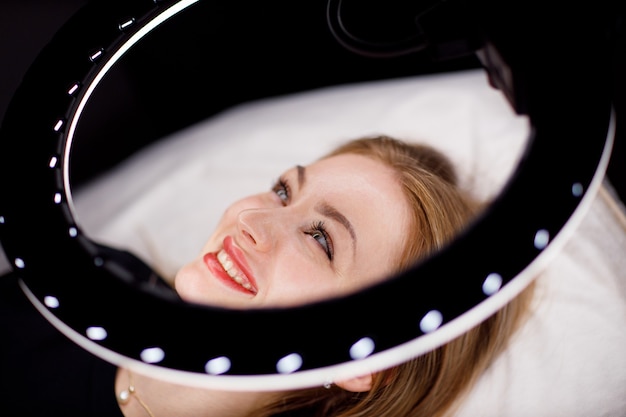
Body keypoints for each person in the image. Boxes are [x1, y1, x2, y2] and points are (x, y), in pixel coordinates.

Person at [1, 135, 534, 417]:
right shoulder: (93, 276)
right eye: (284, 190)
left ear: (364, 359)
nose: (252, 220)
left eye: (321, 238)